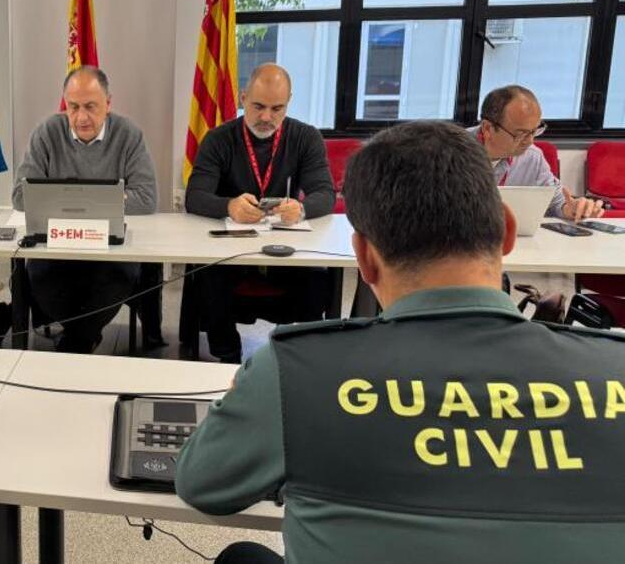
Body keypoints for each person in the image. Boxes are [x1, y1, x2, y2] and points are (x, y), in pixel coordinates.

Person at [176, 120, 625, 564]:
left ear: (365, 259)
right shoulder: (616, 370)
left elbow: (202, 484)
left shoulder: (296, 373)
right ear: (507, 232)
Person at [182, 63, 335, 362]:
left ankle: (298, 357)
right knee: (210, 276)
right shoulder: (218, 139)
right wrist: (228, 206)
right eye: (258, 106)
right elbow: (195, 197)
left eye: (277, 108)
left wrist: (301, 209)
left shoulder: (306, 138)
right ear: (242, 98)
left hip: (287, 247)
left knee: (318, 279)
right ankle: (227, 358)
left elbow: (325, 194)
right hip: (230, 248)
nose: (266, 117)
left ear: (289, 101)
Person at [11, 66, 158, 352]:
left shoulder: (128, 135)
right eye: (73, 106)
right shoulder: (47, 132)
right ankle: (83, 337)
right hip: (57, 244)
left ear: (108, 104)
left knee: (116, 278)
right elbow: (19, 195)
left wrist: (96, 200)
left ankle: (75, 343)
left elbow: (148, 198)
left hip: (110, 248)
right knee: (40, 277)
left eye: (91, 107)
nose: (81, 117)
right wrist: (107, 200)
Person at [475, 84, 604, 221]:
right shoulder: (453, 151)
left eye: (534, 131)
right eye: (520, 134)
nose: (530, 141)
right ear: (487, 128)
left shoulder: (532, 157)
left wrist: (573, 208)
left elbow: (556, 202)